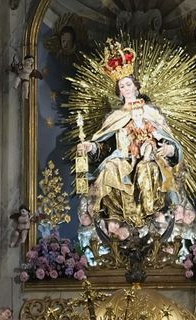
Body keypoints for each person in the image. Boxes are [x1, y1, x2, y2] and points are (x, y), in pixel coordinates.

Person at [78, 45, 183, 231]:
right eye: (121, 86)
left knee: (145, 169)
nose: (126, 88)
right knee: (110, 167)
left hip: (150, 158)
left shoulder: (151, 112)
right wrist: (91, 147)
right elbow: (104, 146)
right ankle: (117, 218)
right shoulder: (115, 117)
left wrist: (169, 149)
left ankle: (150, 215)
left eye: (128, 84)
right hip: (121, 158)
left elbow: (166, 139)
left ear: (136, 86)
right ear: (118, 91)